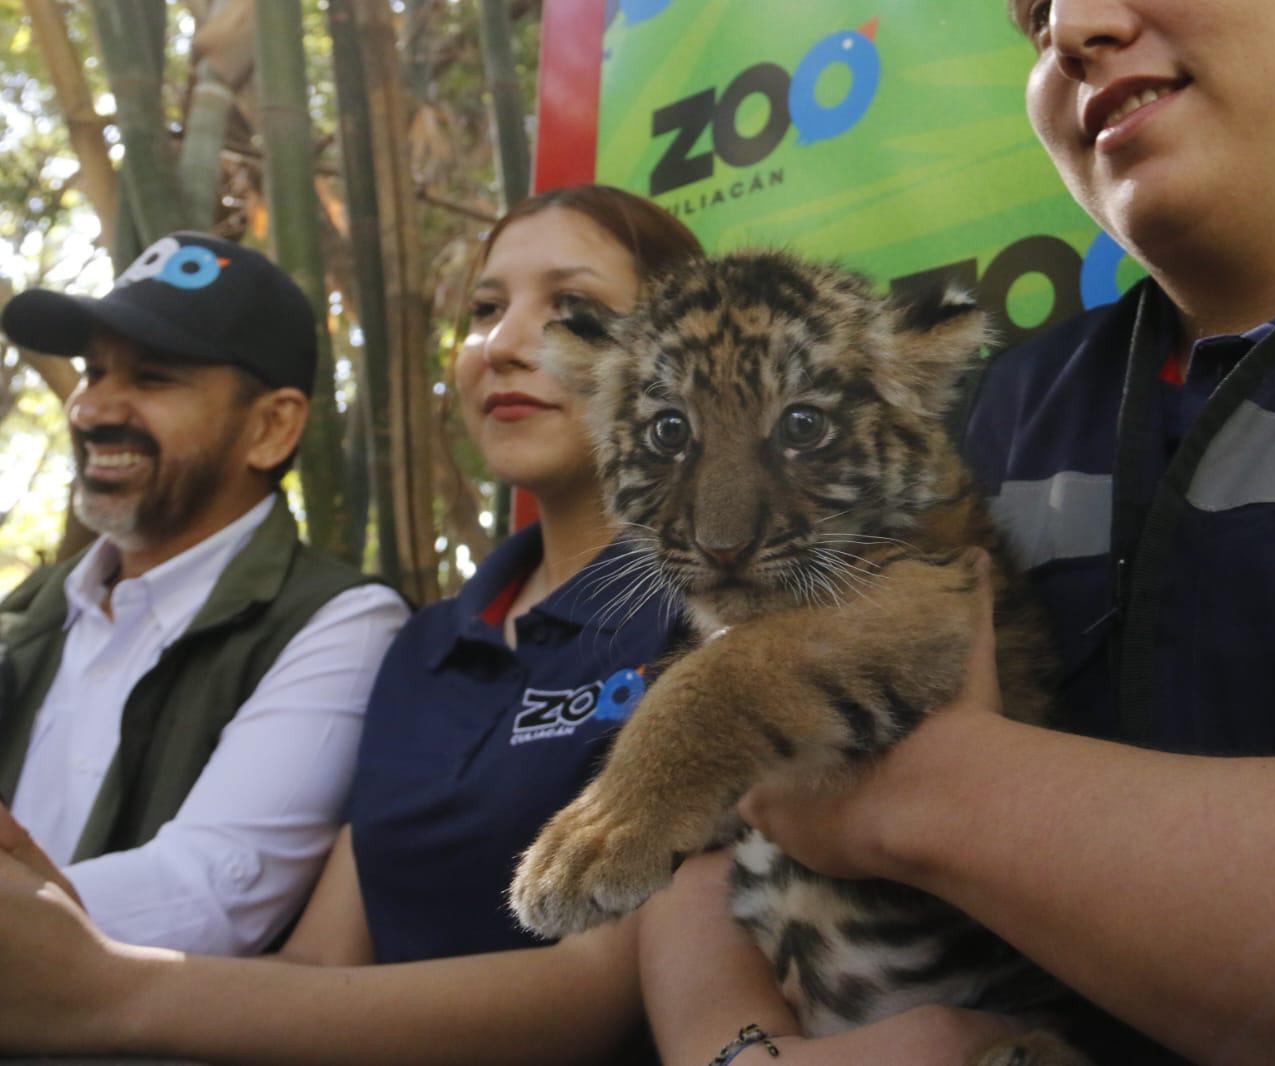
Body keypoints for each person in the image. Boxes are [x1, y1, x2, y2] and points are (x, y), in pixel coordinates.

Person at [663, 2, 1275, 1063]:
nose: (1074, 26)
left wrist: (937, 793)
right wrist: (733, 1049)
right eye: (1034, 13)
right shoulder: (962, 412)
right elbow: (687, 820)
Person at [0, 187, 1016, 1065]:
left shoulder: (730, 599)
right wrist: (76, 950)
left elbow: (599, 985)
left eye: (571, 307)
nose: (511, 341)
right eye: (487, 307)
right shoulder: (421, 639)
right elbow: (319, 962)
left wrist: (120, 992)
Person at [0, 233, 409, 955]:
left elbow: (207, 897)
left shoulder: (339, 623)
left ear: (271, 426)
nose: (94, 408)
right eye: (94, 372)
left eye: (153, 378)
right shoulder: (31, 611)